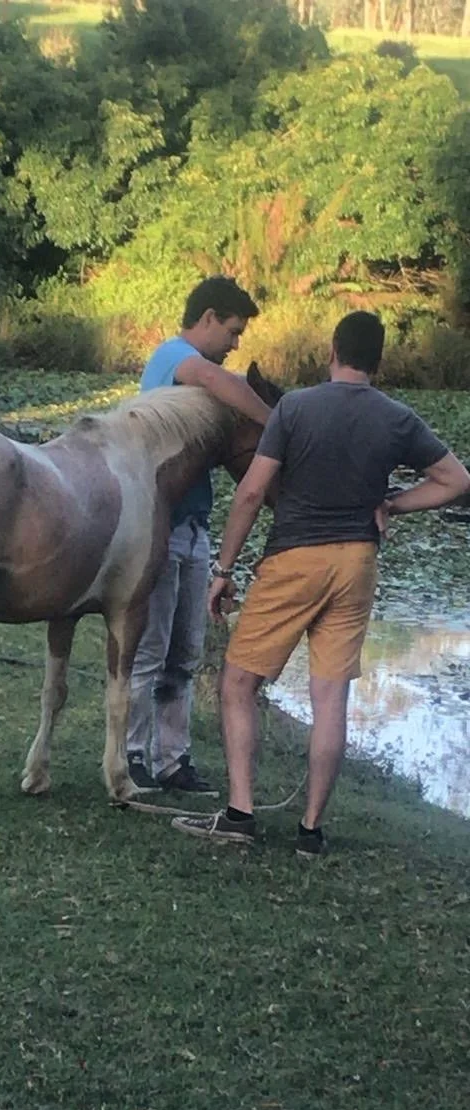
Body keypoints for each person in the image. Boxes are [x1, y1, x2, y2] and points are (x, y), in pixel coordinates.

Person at [171, 310, 470, 851]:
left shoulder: (295, 407)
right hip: (357, 562)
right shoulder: (397, 418)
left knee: (239, 683)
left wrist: (223, 569)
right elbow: (455, 480)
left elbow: (252, 493)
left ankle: (241, 815)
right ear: (378, 361)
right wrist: (394, 505)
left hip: (295, 559)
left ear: (332, 350)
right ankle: (311, 830)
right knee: (330, 699)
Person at [126, 275, 270, 793]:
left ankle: (173, 758)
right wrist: (278, 422)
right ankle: (133, 754)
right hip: (157, 525)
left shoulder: (200, 369)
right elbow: (224, 385)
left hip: (194, 525)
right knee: (149, 648)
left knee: (185, 650)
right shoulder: (173, 358)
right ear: (207, 318)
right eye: (232, 332)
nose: (235, 346)